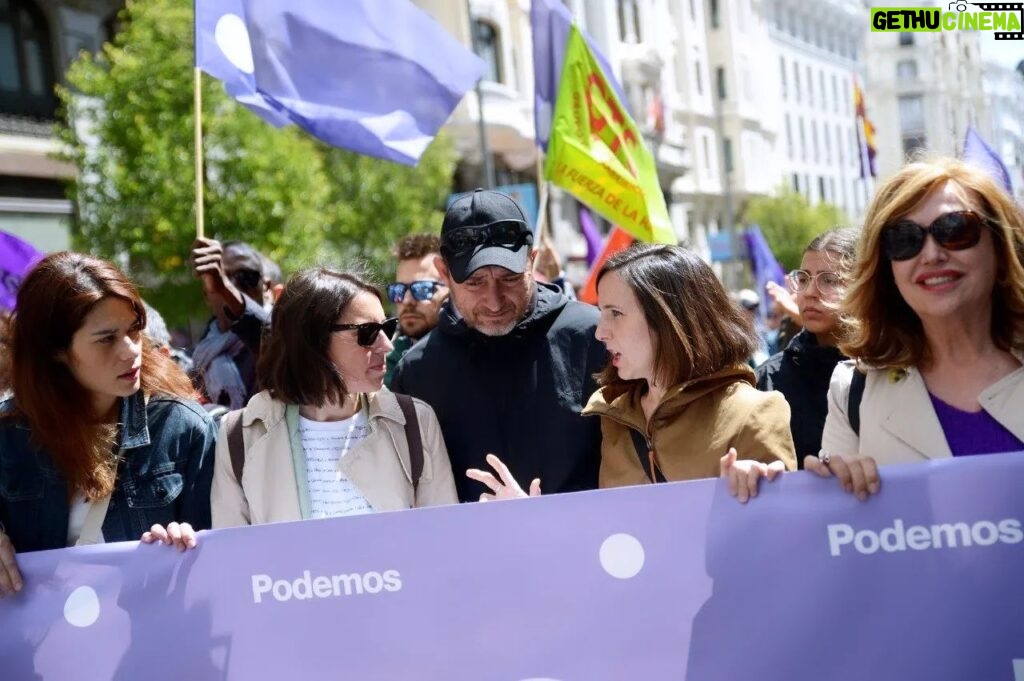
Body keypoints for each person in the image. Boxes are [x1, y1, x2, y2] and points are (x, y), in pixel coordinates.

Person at [468, 244, 797, 504]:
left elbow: (782, 545)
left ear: (669, 320)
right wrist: (535, 516)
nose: (600, 332)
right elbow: (608, 537)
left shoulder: (756, 412)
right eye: (601, 313)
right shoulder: (611, 414)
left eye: (615, 313)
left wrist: (761, 496)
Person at [0, 253, 216, 597]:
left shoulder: (181, 427)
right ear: (55, 350)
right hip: (37, 645)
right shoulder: (8, 434)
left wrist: (185, 545)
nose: (131, 350)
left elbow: (217, 565)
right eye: (106, 338)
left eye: (133, 330)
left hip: (146, 639)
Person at [813, 158, 1024, 499]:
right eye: (904, 239)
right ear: (887, 270)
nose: (931, 254)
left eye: (955, 230)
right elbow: (837, 534)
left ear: (1000, 248)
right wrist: (766, 490)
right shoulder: (853, 391)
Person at [391, 189, 606, 502]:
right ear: (443, 273)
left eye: (509, 278)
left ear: (531, 262)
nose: (493, 301)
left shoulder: (594, 338)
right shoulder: (417, 372)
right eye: (475, 282)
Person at [210, 266, 457, 527]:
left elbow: (442, 541)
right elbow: (232, 555)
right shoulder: (240, 435)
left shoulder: (415, 423)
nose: (387, 344)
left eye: (388, 327)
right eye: (368, 332)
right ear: (312, 339)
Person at [756, 227, 859, 467]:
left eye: (829, 280)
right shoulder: (770, 380)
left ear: (862, 285)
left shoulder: (887, 371)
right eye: (803, 279)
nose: (810, 293)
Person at [188, 238, 271, 408]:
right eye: (221, 277)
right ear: (207, 295)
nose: (234, 285)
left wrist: (224, 286)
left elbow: (267, 335)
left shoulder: (285, 339)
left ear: (266, 287)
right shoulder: (196, 360)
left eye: (245, 277)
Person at [384, 233, 448, 387]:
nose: (407, 301)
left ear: (449, 290)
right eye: (399, 290)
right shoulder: (386, 360)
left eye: (422, 289)